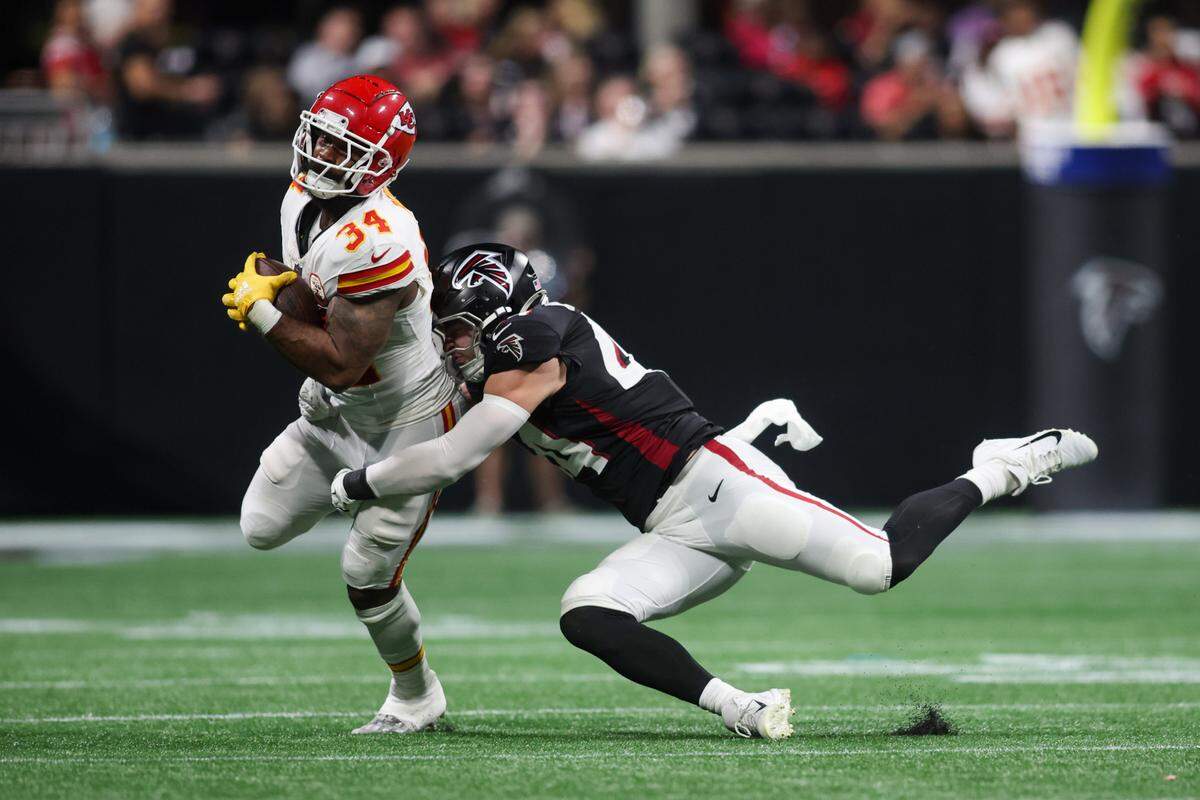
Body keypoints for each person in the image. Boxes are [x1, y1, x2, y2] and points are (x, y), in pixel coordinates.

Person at [329, 244, 1099, 739]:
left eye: (463, 329)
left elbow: (456, 453)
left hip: (720, 485)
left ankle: (1000, 466)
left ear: (503, 317)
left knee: (880, 567)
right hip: (671, 524)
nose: (453, 344)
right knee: (587, 614)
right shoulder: (509, 354)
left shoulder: (543, 331)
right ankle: (739, 705)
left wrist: (354, 484)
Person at [221, 75, 463, 735]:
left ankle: (416, 696)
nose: (319, 150)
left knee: (366, 569)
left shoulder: (381, 235)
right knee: (260, 524)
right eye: (320, 135)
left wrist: (267, 315)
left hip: (406, 423)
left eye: (338, 144)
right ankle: (354, 494)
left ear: (380, 159)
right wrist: (281, 285)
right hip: (340, 408)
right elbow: (314, 295)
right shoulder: (303, 199)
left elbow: (342, 357)